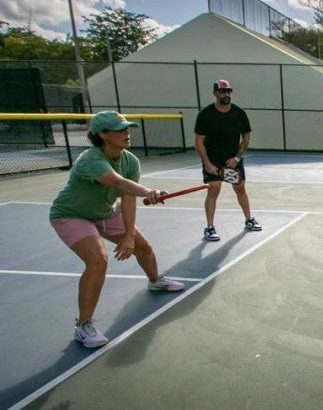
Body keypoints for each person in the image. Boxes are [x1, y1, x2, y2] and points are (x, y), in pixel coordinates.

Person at [49, 111, 185, 348]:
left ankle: (155, 280)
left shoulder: (130, 160)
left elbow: (127, 196)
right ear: (102, 134)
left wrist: (130, 235)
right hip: (72, 215)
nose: (126, 133)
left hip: (106, 212)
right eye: (119, 130)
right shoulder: (91, 158)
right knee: (98, 260)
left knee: (143, 248)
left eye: (127, 128)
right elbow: (117, 182)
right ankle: (83, 326)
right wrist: (149, 192)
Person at [194, 79, 262, 241]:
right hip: (213, 161)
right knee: (214, 189)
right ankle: (209, 228)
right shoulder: (206, 115)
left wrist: (237, 158)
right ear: (215, 93)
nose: (226, 94)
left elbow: (246, 139)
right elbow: (199, 141)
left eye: (228, 91)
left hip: (232, 162)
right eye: (223, 92)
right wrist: (207, 164)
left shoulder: (239, 113)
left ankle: (249, 220)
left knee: (240, 189)